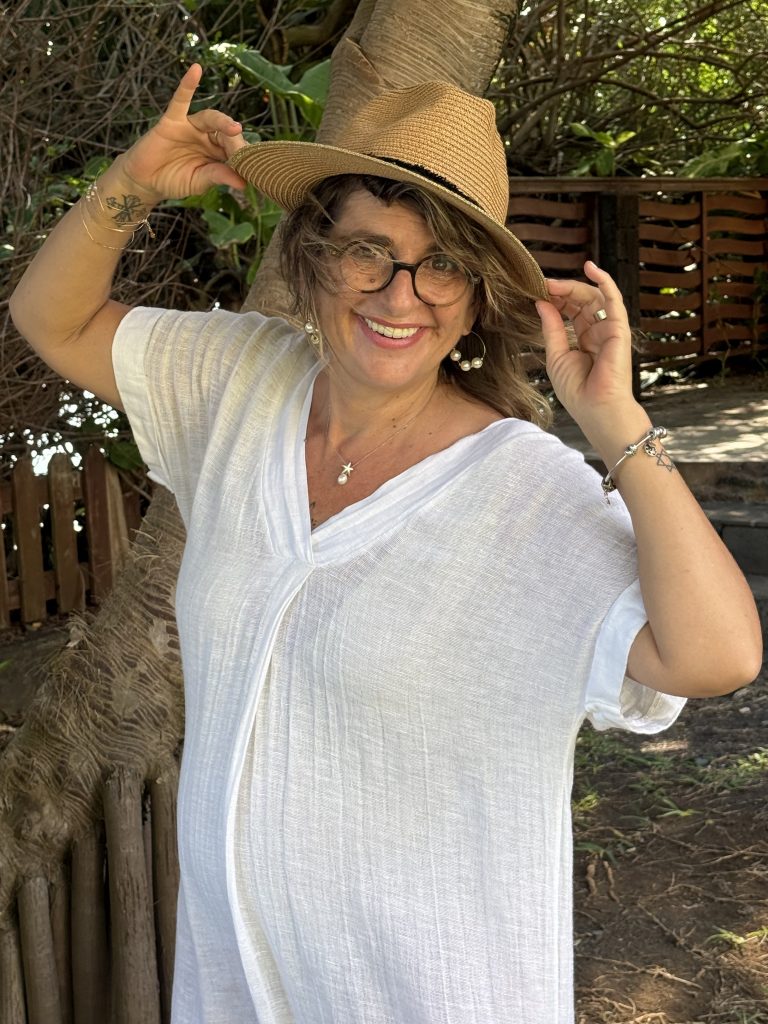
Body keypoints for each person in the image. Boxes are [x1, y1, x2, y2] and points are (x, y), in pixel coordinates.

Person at [10, 64, 762, 1024]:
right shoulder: (238, 386)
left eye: (441, 265)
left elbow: (716, 655)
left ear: (476, 298)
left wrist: (616, 421)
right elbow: (52, 318)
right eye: (368, 251)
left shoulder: (521, 492)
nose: (400, 296)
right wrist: (133, 183)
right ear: (313, 257)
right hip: (233, 992)